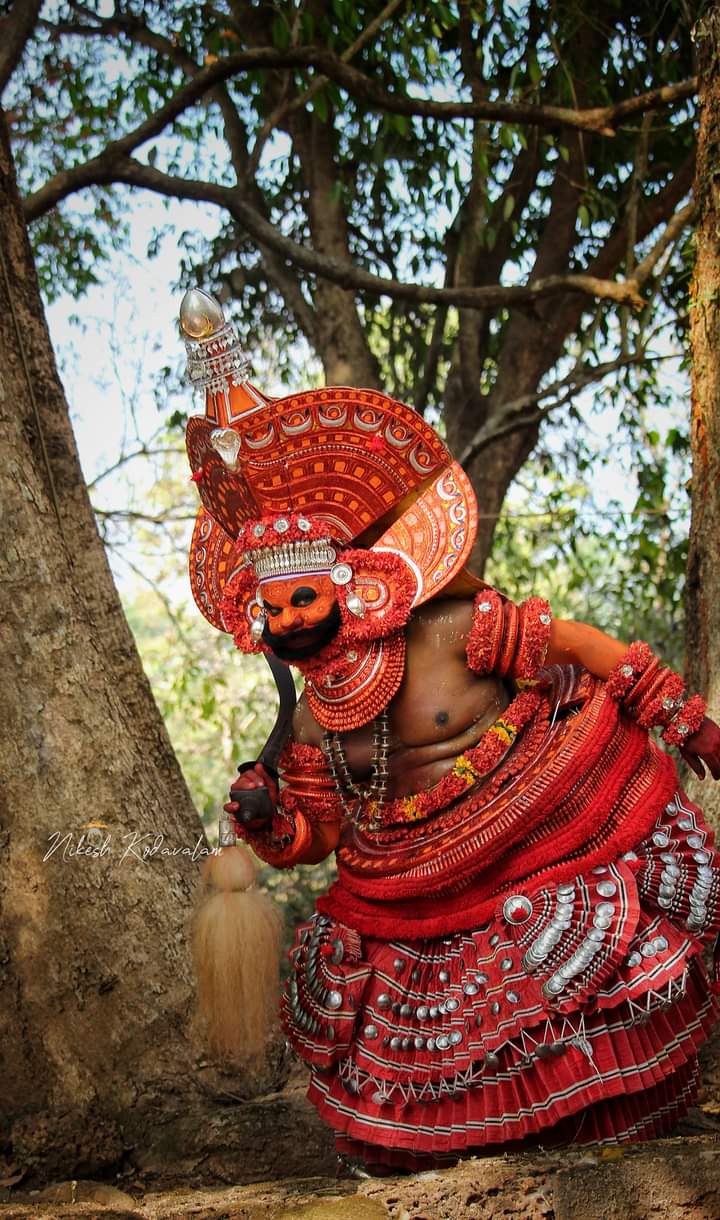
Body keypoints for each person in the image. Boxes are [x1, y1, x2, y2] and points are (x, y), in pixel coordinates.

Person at [181, 289, 720, 1171]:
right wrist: (269, 825)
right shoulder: (310, 714)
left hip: (542, 832)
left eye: (303, 599)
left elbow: (574, 643)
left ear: (355, 581)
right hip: (408, 886)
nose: (291, 623)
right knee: (410, 1025)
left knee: (571, 976)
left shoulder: (447, 625)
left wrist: (679, 715)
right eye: (272, 612)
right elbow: (314, 839)